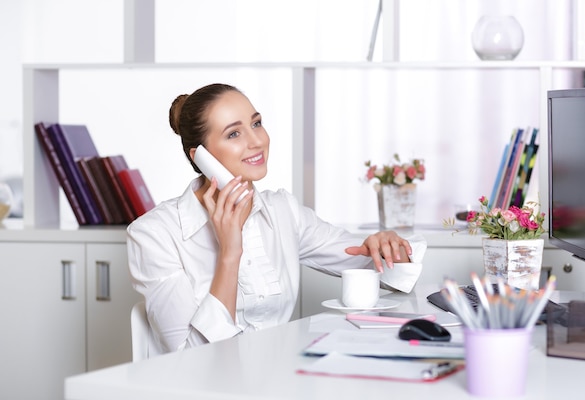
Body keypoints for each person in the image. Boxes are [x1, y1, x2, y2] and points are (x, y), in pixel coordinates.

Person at [126, 83, 426, 354]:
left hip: (278, 381)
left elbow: (378, 266)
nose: (256, 141)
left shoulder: (282, 211)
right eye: (234, 133)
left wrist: (386, 247)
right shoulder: (154, 234)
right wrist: (230, 252)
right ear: (200, 157)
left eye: (256, 123)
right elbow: (192, 358)